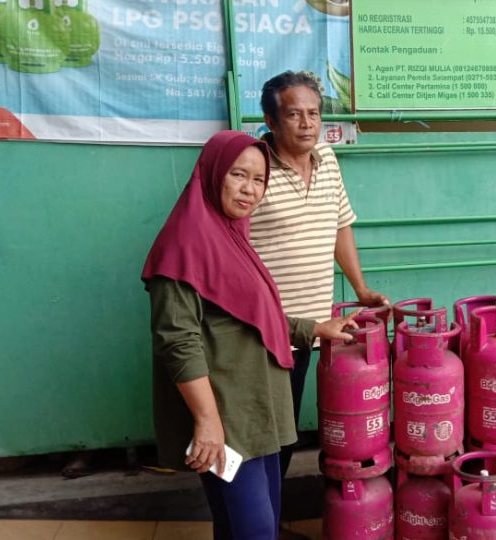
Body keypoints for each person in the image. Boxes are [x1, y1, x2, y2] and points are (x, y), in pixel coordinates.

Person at [142, 130, 358, 540]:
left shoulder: (231, 236)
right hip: (227, 413)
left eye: (258, 180)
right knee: (256, 529)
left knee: (243, 523)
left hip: (258, 407)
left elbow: (254, 316)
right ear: (213, 173)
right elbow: (178, 342)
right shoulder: (182, 247)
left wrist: (313, 328)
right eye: (238, 175)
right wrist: (207, 422)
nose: (249, 190)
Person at [250, 71, 389, 480]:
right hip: (265, 330)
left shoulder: (327, 159)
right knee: (264, 435)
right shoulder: (254, 167)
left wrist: (360, 288)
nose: (308, 123)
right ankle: (256, 523)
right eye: (294, 114)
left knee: (285, 433)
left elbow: (340, 224)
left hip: (311, 329)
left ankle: (265, 520)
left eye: (314, 114)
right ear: (271, 121)